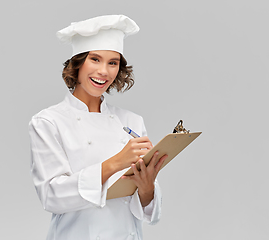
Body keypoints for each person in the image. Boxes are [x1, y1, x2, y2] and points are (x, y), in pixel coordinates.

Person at [28, 15, 168, 240]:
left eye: (113, 62)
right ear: (77, 63)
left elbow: (148, 209)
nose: (104, 71)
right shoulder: (48, 122)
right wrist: (116, 163)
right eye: (95, 59)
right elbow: (52, 196)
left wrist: (147, 188)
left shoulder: (132, 121)